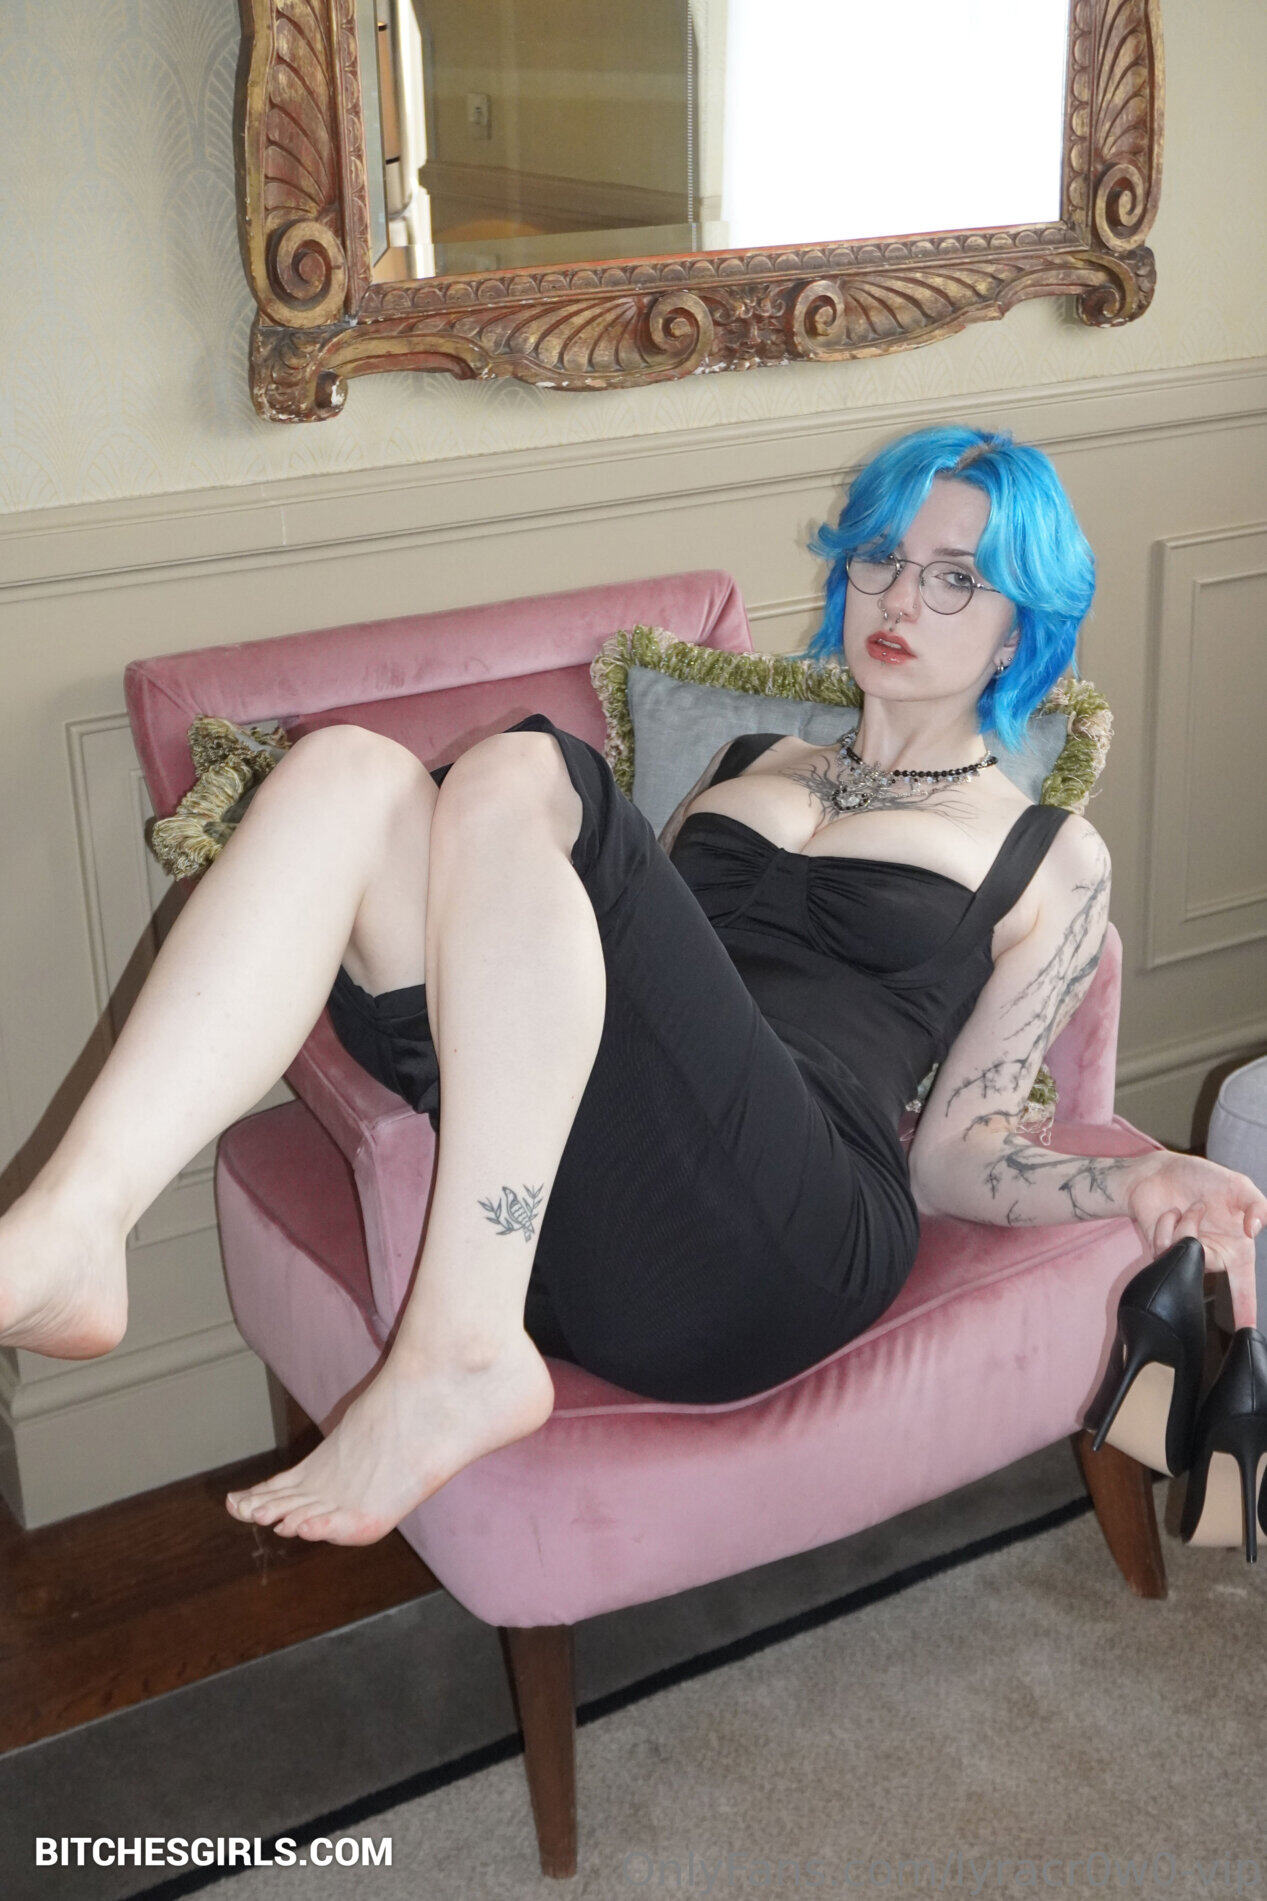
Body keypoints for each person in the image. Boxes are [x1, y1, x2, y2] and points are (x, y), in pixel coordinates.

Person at [1, 425, 1262, 1549]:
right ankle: (77, 1224)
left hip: (789, 1232)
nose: (898, 596)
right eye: (881, 555)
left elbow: (955, 1153)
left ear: (1020, 625)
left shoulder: (1049, 854)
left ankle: (462, 1344)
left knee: (527, 769)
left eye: (955, 578)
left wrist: (1131, 1177)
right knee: (341, 769)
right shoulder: (749, 757)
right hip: (590, 1202)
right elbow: (585, 974)